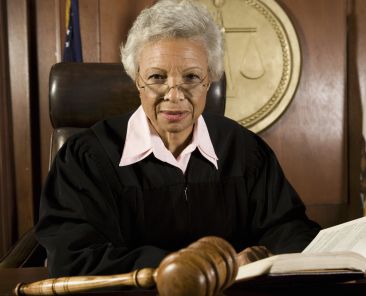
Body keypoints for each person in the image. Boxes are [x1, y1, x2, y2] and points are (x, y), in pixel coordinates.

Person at [35, 0, 320, 278]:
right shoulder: (86, 159)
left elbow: (288, 228)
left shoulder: (244, 151)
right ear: (137, 79)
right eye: (157, 77)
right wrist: (202, 266)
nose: (174, 95)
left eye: (191, 77)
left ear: (210, 79)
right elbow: (73, 257)